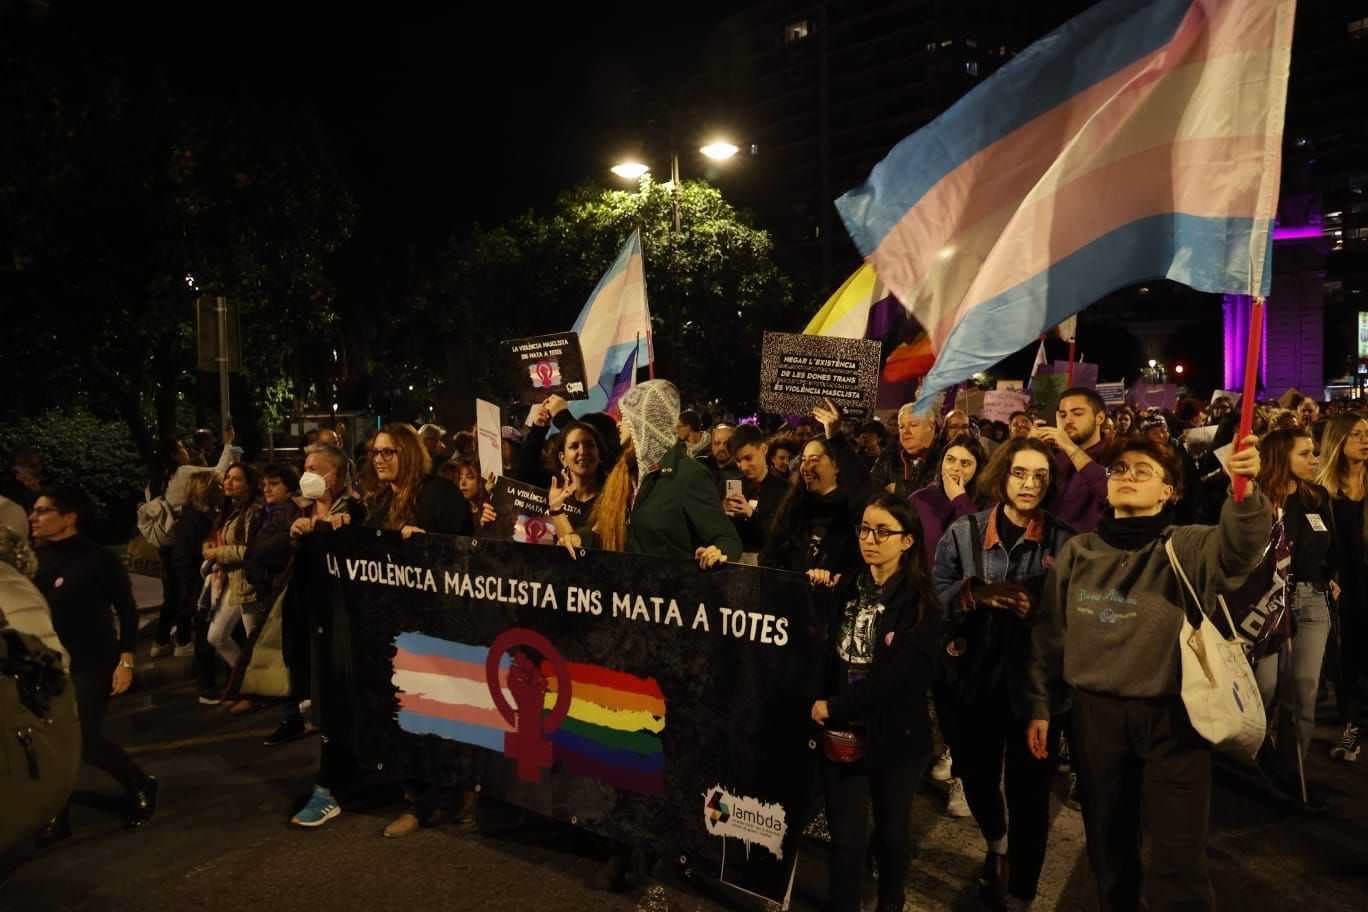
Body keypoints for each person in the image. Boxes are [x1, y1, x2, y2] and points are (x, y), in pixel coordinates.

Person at [1025, 434, 1268, 912]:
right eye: (1119, 469)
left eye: (1143, 470)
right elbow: (1050, 636)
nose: (1126, 476)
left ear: (1169, 492)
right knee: (1110, 852)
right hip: (1097, 720)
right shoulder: (1078, 552)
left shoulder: (1187, 544)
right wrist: (1040, 704)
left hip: (1174, 721)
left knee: (1178, 862)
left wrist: (1245, 490)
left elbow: (1240, 549)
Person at [560, 379, 739, 890]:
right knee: (623, 742)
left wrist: (715, 550)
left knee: (661, 747)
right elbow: (623, 533)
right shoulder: (631, 474)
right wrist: (583, 535)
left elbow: (723, 535)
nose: (622, 428)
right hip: (628, 630)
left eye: (630, 419)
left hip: (670, 637)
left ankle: (664, 851)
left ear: (651, 422)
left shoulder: (687, 476)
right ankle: (623, 844)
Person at [932, 438, 1075, 910]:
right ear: (1002, 474)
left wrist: (1043, 608)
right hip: (973, 683)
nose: (1030, 484)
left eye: (1040, 476)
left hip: (1035, 692)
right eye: (1020, 473)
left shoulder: (1064, 541)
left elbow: (1077, 617)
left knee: (1030, 797)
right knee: (975, 777)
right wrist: (977, 593)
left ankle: (1020, 896)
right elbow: (935, 601)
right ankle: (997, 844)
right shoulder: (964, 533)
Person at [807, 494, 942, 912]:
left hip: (895, 735)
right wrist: (812, 590)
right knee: (845, 836)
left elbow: (902, 680)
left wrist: (835, 707)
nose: (870, 538)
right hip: (843, 734)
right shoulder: (847, 585)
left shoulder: (921, 602)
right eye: (865, 529)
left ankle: (890, 901)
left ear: (906, 541)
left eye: (883, 531)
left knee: (891, 830)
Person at [30, 485, 159, 828]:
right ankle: (58, 815)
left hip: (92, 660)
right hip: (50, 663)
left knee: (84, 738)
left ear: (69, 518)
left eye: (42, 511)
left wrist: (126, 661)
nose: (33, 517)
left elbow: (127, 612)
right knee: (51, 740)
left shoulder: (98, 558)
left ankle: (139, 782)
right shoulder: (35, 560)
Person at [1251, 428, 1337, 808]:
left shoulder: (1317, 497)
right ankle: (1258, 762)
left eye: (1315, 452)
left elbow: (1330, 545)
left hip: (1312, 601)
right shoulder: (1255, 499)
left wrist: (1334, 579)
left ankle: (1291, 774)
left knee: (1301, 693)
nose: (1314, 459)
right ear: (1280, 456)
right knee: (1263, 690)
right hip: (1265, 603)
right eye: (1305, 453)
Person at [268, 443, 365, 748]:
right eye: (306, 468)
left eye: (314, 469)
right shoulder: (294, 508)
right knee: (298, 661)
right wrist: (292, 536)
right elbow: (260, 551)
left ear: (335, 475)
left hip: (339, 609)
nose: (306, 475)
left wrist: (343, 533)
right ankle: (295, 716)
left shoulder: (356, 509)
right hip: (301, 603)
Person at [760, 401, 873, 575]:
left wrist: (836, 438)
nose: (805, 468)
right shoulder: (793, 506)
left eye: (814, 460)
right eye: (803, 460)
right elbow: (772, 555)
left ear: (836, 466)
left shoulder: (853, 510)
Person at [1313, 413, 1368, 763]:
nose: (1365, 440)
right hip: (1343, 586)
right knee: (1348, 656)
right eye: (1356, 434)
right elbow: (1314, 542)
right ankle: (1350, 728)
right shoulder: (1321, 492)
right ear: (1338, 440)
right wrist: (1325, 574)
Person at [203, 463, 264, 687]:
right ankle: (246, 682)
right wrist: (210, 544)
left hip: (248, 582)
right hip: (232, 580)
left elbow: (249, 549)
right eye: (228, 478)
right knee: (216, 636)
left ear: (249, 484)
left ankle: (257, 688)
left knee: (255, 641)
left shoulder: (254, 511)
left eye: (236, 479)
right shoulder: (230, 509)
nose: (229, 482)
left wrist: (217, 553)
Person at [170, 473, 224, 704]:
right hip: (201, 589)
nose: (224, 488)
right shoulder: (191, 520)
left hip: (208, 585)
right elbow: (182, 561)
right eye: (219, 485)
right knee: (205, 639)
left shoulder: (206, 515)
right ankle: (207, 687)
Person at [1033, 387, 1109, 533]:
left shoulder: (1117, 454)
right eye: (1062, 415)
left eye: (1078, 413)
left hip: (1092, 549)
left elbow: (1110, 493)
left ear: (1099, 417)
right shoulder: (1053, 456)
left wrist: (1069, 447)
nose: (1068, 420)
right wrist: (1029, 447)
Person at [909, 434, 991, 567]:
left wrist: (959, 499)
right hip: (922, 583)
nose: (955, 468)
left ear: (978, 469)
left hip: (963, 584)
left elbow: (978, 545)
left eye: (965, 463)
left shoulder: (989, 503)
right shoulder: (919, 498)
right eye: (950, 460)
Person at [722, 423, 789, 562]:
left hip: (769, 567)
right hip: (734, 563)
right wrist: (722, 514)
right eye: (738, 461)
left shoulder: (785, 490)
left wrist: (751, 513)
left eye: (748, 458)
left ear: (764, 449)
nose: (743, 467)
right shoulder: (729, 487)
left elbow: (781, 537)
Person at [871, 404, 938, 497]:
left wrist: (898, 489)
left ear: (931, 427)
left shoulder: (945, 455)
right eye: (901, 427)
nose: (906, 431)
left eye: (913, 425)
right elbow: (870, 490)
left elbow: (937, 494)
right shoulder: (889, 454)